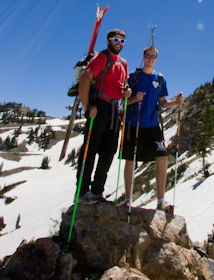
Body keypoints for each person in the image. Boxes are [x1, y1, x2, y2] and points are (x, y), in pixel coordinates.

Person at [122, 46, 184, 212]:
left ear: (157, 58)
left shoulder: (160, 79)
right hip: (132, 124)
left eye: (153, 56)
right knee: (130, 160)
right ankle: (127, 200)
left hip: (152, 125)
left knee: (162, 158)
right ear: (143, 57)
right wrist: (134, 98)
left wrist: (176, 102)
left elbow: (163, 102)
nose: (150, 58)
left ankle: (161, 201)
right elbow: (123, 101)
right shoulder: (132, 77)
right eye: (147, 55)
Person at [76, 29, 132, 204]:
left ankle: (96, 192)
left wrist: (127, 93)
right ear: (108, 41)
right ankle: (82, 191)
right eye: (116, 40)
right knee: (90, 149)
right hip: (100, 107)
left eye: (122, 41)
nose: (119, 43)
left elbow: (124, 86)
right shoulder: (101, 57)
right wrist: (87, 108)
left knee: (109, 152)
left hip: (114, 110)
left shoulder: (123, 63)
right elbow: (85, 79)